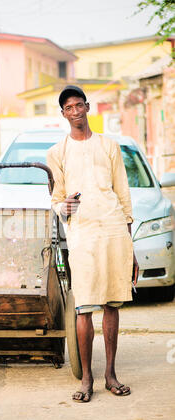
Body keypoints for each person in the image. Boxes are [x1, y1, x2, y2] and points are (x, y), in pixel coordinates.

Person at [46, 85, 139, 403]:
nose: (76, 111)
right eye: (69, 107)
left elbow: (123, 194)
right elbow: (57, 200)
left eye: (80, 105)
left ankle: (110, 374)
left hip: (114, 229)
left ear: (88, 108)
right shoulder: (57, 152)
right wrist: (65, 208)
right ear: (64, 114)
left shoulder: (109, 146)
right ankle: (86, 378)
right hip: (82, 234)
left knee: (112, 304)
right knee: (84, 305)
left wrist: (130, 241)